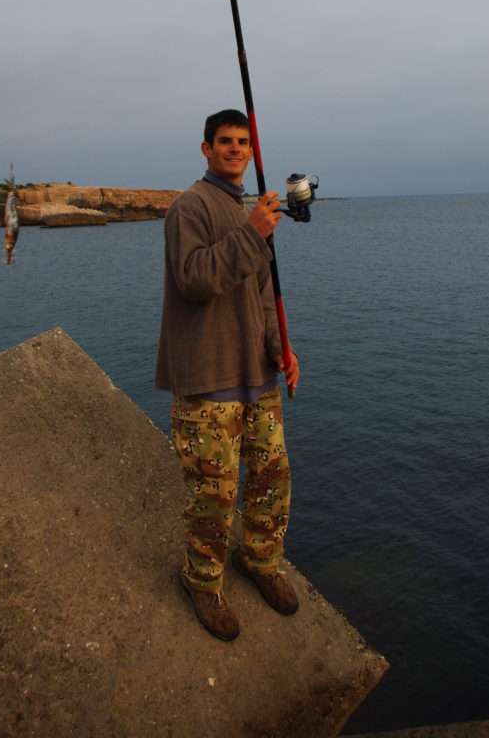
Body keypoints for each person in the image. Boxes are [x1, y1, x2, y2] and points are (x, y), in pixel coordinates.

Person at [155, 108, 300, 641]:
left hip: (257, 378)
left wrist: (282, 349)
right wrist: (252, 233)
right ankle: (201, 582)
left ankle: (260, 560)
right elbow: (193, 278)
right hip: (207, 380)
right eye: (225, 141)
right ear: (206, 148)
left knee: (271, 478)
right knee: (214, 496)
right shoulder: (189, 208)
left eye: (243, 141)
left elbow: (262, 294)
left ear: (251, 150)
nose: (235, 149)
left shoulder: (249, 210)